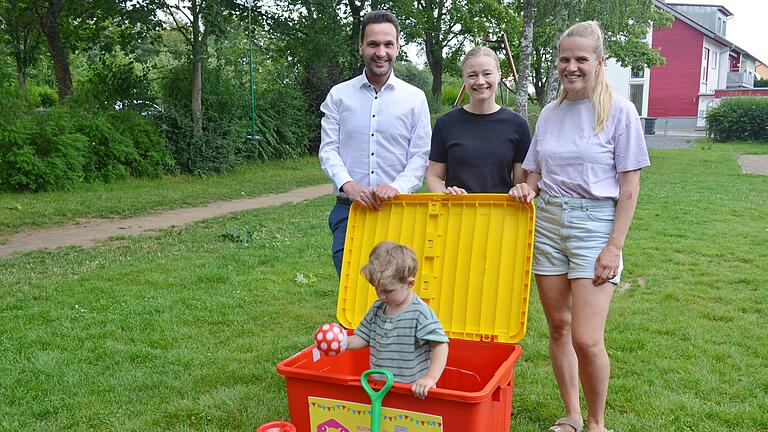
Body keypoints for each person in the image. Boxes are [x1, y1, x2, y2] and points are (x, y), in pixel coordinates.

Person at [509, 21, 650, 432]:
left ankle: (596, 422)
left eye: (581, 59)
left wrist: (614, 247)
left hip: (595, 227)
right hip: (548, 224)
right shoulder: (550, 114)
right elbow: (534, 173)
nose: (571, 67)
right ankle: (570, 415)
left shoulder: (619, 111)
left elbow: (629, 188)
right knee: (559, 327)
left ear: (599, 62)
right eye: (564, 59)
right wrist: (525, 191)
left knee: (587, 338)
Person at [319, 10, 431, 277]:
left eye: (388, 44)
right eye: (373, 44)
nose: (381, 52)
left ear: (398, 48)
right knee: (352, 293)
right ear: (361, 47)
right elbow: (328, 150)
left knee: (397, 293)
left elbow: (420, 155)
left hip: (400, 210)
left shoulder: (414, 98)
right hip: (350, 212)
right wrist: (350, 187)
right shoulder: (339, 95)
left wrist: (396, 187)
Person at [345, 241, 449, 399]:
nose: (381, 296)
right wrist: (343, 342)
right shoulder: (378, 308)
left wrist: (429, 378)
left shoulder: (420, 313)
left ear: (410, 283)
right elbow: (362, 337)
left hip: (413, 392)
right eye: (376, 289)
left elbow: (440, 345)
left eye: (387, 291)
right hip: (379, 389)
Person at [426, 46, 531, 195]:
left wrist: (520, 191)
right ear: (464, 78)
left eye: (487, 74)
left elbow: (521, 183)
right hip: (456, 213)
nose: (480, 81)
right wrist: (445, 194)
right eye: (472, 75)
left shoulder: (518, 125)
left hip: (500, 213)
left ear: (499, 75)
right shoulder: (445, 124)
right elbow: (433, 176)